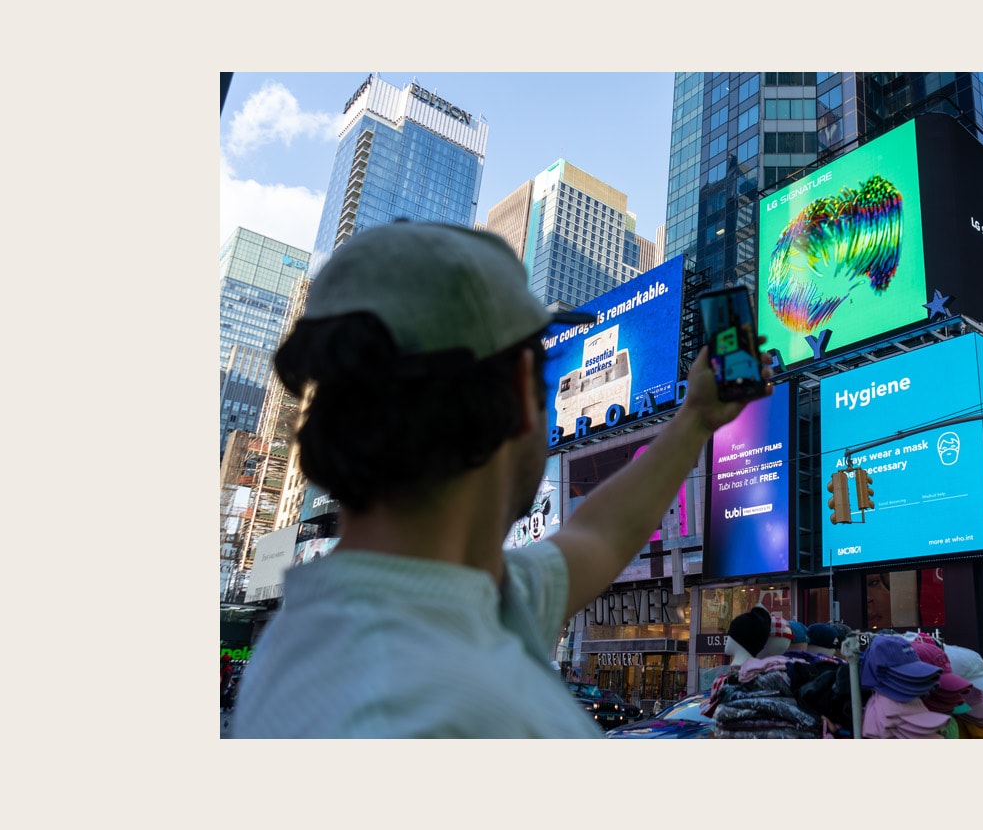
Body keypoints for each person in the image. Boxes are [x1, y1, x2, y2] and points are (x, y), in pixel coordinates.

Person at [230, 222, 770, 738]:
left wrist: (695, 418)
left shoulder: (446, 599)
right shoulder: (434, 708)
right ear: (519, 391)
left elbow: (598, 537)